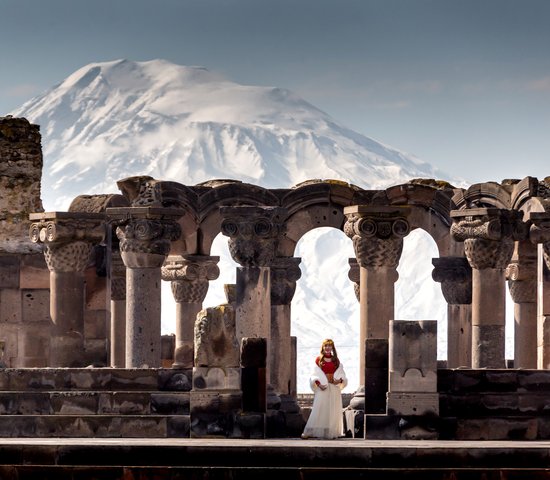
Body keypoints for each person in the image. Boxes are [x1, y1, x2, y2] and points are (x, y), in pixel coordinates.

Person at [301, 338, 347, 439]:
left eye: (329, 346)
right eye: (326, 346)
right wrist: (319, 384)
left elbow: (341, 374)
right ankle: (310, 431)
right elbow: (315, 374)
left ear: (332, 348)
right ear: (323, 347)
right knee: (319, 408)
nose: (327, 348)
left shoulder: (336, 360)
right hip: (323, 387)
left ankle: (331, 432)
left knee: (332, 410)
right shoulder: (319, 360)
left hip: (334, 388)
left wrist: (339, 381)